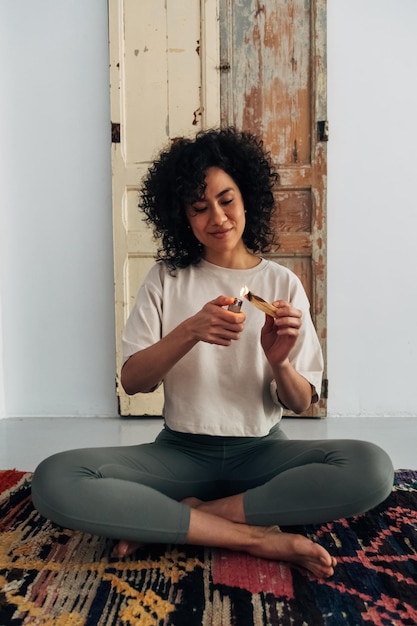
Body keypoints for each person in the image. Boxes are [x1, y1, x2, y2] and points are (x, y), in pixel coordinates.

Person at [32, 128, 394, 579]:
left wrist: (279, 361)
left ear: (247, 199)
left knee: (373, 468)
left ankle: (188, 517)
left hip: (262, 455)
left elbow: (302, 402)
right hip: (180, 454)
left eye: (227, 200)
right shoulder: (166, 279)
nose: (217, 217)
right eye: (199, 208)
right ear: (181, 216)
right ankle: (255, 536)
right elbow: (134, 382)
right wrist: (190, 330)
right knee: (55, 478)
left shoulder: (283, 284)